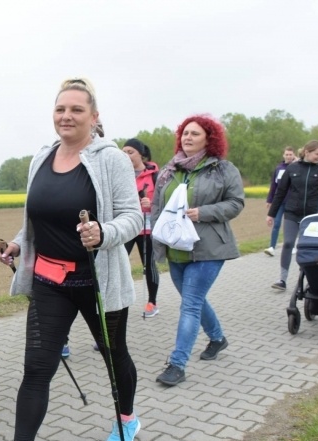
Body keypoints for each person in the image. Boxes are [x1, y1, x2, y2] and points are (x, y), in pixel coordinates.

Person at [0, 78, 143, 441]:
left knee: (113, 355)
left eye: (76, 110)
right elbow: (34, 218)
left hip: (97, 279)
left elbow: (133, 217)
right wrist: (18, 245)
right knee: (36, 368)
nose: (66, 116)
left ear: (94, 116)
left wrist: (103, 233)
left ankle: (127, 417)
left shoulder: (111, 160)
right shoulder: (42, 157)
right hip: (50, 280)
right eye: (60, 109)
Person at [151, 115, 244, 387]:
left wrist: (204, 213)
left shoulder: (223, 169)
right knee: (196, 300)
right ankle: (217, 338)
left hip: (209, 248)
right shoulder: (170, 170)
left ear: (209, 139)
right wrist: (157, 240)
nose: (187, 138)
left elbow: (236, 203)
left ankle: (177, 364)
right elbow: (158, 206)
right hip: (176, 249)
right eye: (184, 133)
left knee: (190, 304)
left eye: (195, 134)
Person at [267, 140, 318, 290]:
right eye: (317, 154)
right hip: (292, 213)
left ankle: (310, 279)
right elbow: (280, 192)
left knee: (307, 247)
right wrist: (271, 214)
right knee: (289, 243)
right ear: (307, 152)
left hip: (313, 215)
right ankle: (282, 280)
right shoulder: (292, 168)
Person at [121, 138, 160, 318]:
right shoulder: (120, 173)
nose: (126, 155)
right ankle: (118, 302)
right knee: (118, 263)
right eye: (124, 152)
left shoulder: (154, 175)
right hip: (128, 227)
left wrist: (150, 203)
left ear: (141, 154)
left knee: (149, 265)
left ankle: (152, 302)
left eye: (130, 152)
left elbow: (163, 200)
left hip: (148, 227)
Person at [264, 146, 297, 256]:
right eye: (286, 154)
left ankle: (291, 246)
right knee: (276, 223)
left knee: (290, 225)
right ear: (283, 155)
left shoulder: (297, 167)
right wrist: (270, 200)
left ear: (294, 155)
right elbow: (273, 185)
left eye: (290, 154)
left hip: (292, 201)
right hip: (280, 201)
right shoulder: (279, 168)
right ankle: (272, 247)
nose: (288, 156)